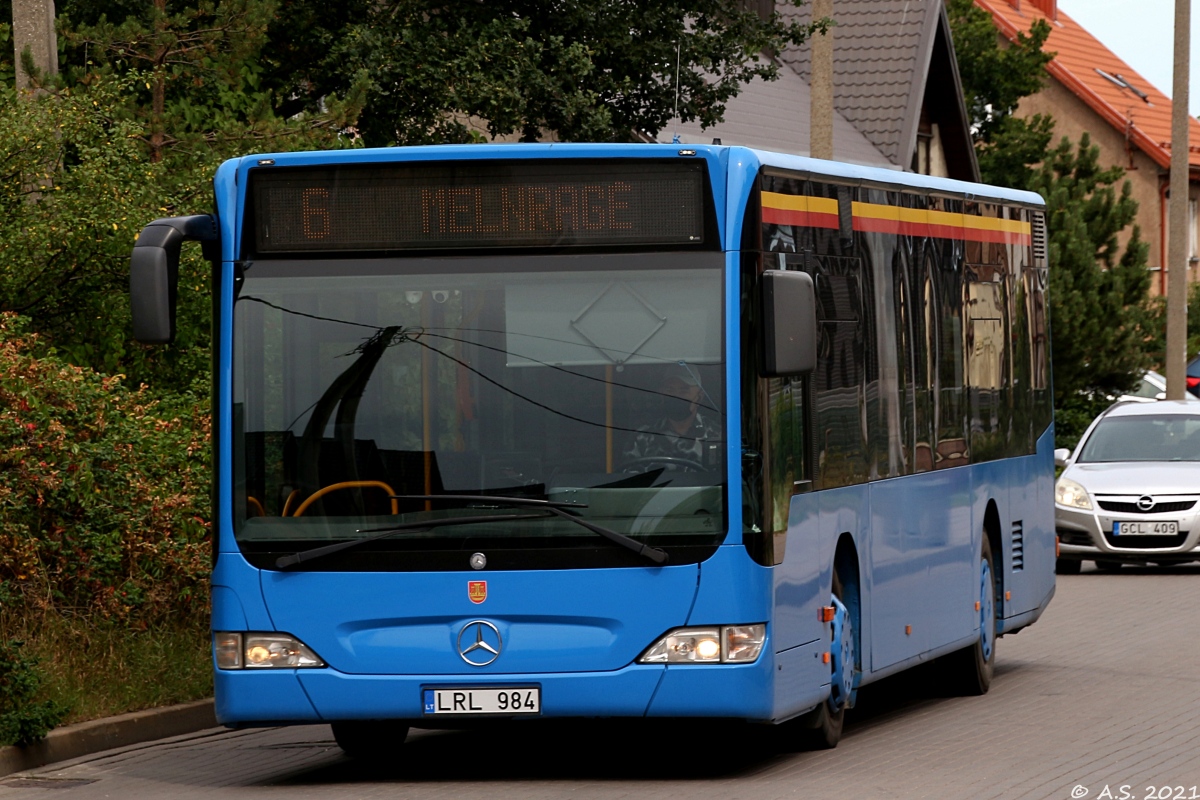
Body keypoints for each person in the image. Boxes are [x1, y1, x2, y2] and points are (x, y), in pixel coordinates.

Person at [623, 364, 722, 470]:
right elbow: (630, 477)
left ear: (699, 397)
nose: (676, 396)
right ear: (662, 394)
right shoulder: (642, 437)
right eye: (670, 390)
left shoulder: (716, 436)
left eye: (684, 391)